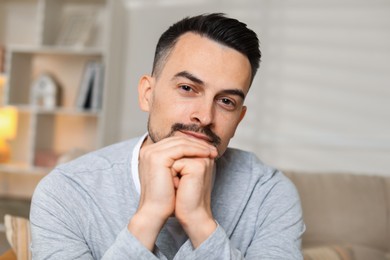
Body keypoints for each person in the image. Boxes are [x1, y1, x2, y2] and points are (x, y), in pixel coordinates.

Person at [30, 13, 305, 259]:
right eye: (187, 88)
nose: (205, 116)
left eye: (226, 102)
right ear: (147, 94)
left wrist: (200, 222)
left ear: (238, 119)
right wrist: (148, 217)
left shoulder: (269, 194)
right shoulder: (64, 193)